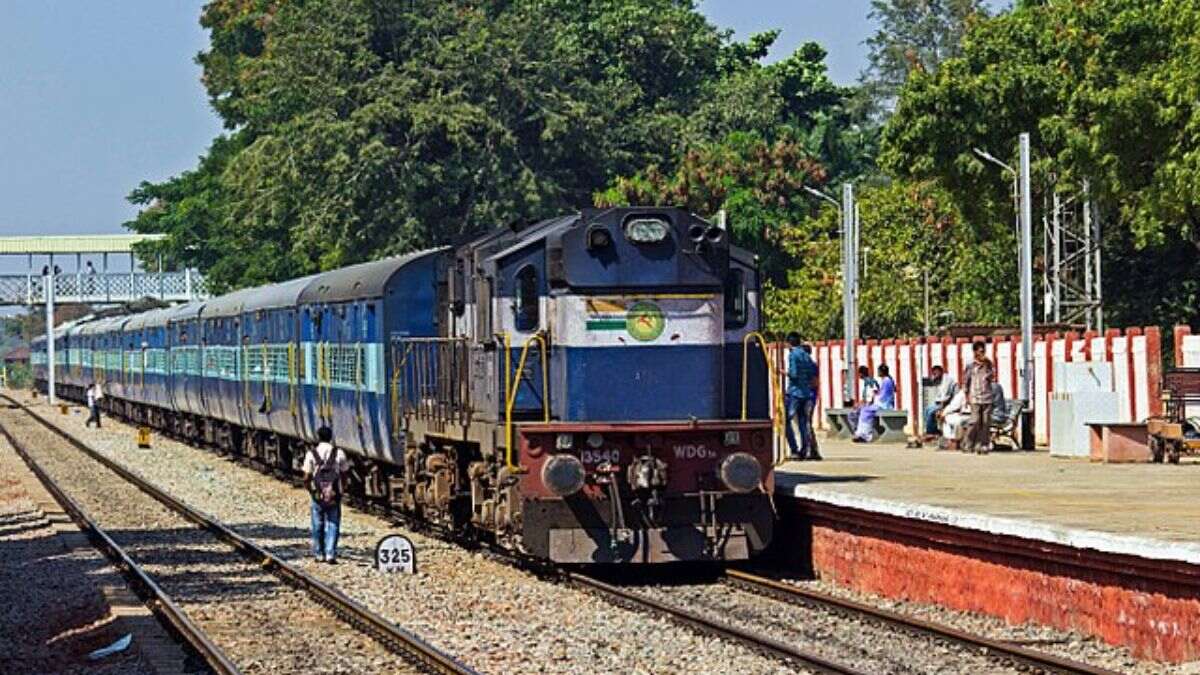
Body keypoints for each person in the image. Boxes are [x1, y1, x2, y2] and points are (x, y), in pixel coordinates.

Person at [302, 426, 350, 563]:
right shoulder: (339, 453)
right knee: (333, 523)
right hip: (334, 494)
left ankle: (318, 553)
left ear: (318, 437)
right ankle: (330, 553)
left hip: (317, 494)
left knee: (317, 524)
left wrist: (310, 490)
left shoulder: (311, 453)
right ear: (330, 437)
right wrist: (342, 488)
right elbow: (345, 472)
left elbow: (306, 477)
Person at [784, 333, 820, 461]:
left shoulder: (793, 355)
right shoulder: (806, 355)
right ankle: (804, 450)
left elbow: (793, 374)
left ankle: (794, 449)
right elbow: (812, 375)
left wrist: (783, 372)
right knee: (803, 423)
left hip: (794, 393)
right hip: (806, 393)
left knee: (786, 421)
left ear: (789, 343)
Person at [961, 341, 996, 454]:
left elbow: (992, 377)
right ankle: (967, 443)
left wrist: (988, 364)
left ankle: (983, 445)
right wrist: (966, 397)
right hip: (975, 397)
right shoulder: (970, 366)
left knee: (985, 422)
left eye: (983, 351)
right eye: (980, 351)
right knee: (974, 421)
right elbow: (966, 382)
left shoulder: (988, 365)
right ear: (975, 352)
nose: (982, 353)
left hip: (987, 397)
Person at [853, 364, 895, 442]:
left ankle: (866, 435)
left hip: (885, 405)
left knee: (865, 411)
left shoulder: (887, 381)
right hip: (882, 403)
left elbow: (883, 395)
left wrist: (876, 395)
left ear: (882, 372)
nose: (878, 372)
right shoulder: (886, 380)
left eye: (879, 371)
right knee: (864, 411)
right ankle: (860, 433)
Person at [922, 365, 957, 441]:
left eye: (936, 373)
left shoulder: (947, 380)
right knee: (926, 410)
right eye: (933, 373)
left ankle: (931, 432)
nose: (934, 375)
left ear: (940, 372)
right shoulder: (938, 380)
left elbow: (946, 397)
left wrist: (941, 408)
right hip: (940, 402)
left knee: (931, 412)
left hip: (949, 403)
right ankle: (932, 430)